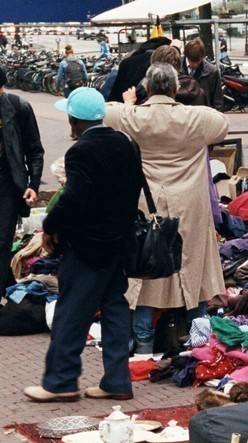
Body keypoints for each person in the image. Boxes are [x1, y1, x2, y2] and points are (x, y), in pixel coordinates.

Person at [23, 88, 143, 403]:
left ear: (74, 121)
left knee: (71, 312)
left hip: (88, 247)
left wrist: (50, 226)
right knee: (115, 310)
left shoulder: (81, 151)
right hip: (120, 244)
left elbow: (75, 198)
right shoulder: (126, 143)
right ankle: (117, 381)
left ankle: (60, 381)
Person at [104, 63, 229, 354]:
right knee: (195, 269)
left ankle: (143, 345)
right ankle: (199, 344)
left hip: (148, 206)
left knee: (147, 272)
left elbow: (105, 112)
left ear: (147, 88)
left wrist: (129, 104)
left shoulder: (132, 117)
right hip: (190, 207)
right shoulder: (196, 119)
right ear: (175, 88)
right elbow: (222, 124)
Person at [0, 66, 43, 294]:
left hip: (7, 183)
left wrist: (33, 185)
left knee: (2, 242)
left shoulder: (18, 108)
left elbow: (34, 150)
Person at [182, 38, 223, 111]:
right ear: (186, 56)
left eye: (198, 61)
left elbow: (217, 100)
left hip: (204, 114)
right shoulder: (176, 68)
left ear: (202, 57)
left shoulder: (212, 72)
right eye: (192, 61)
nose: (195, 64)